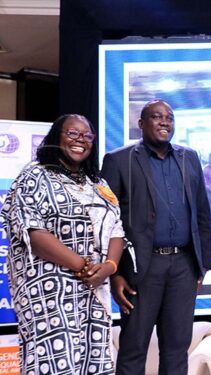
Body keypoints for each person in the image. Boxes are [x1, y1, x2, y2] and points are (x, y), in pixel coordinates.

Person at [0, 114, 125, 374]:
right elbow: (32, 232)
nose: (80, 140)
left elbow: (116, 228)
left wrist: (110, 267)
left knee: (93, 360)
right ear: (57, 137)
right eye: (72, 134)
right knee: (53, 362)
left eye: (87, 135)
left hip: (93, 289)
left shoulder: (98, 183)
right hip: (48, 290)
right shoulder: (34, 175)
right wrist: (84, 266)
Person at [101, 99, 211, 375]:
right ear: (141, 124)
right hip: (141, 269)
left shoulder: (189, 158)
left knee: (177, 348)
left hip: (184, 266)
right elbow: (106, 221)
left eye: (169, 118)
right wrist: (115, 273)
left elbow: (201, 211)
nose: (164, 122)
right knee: (133, 347)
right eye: (156, 116)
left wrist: (203, 265)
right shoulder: (118, 160)